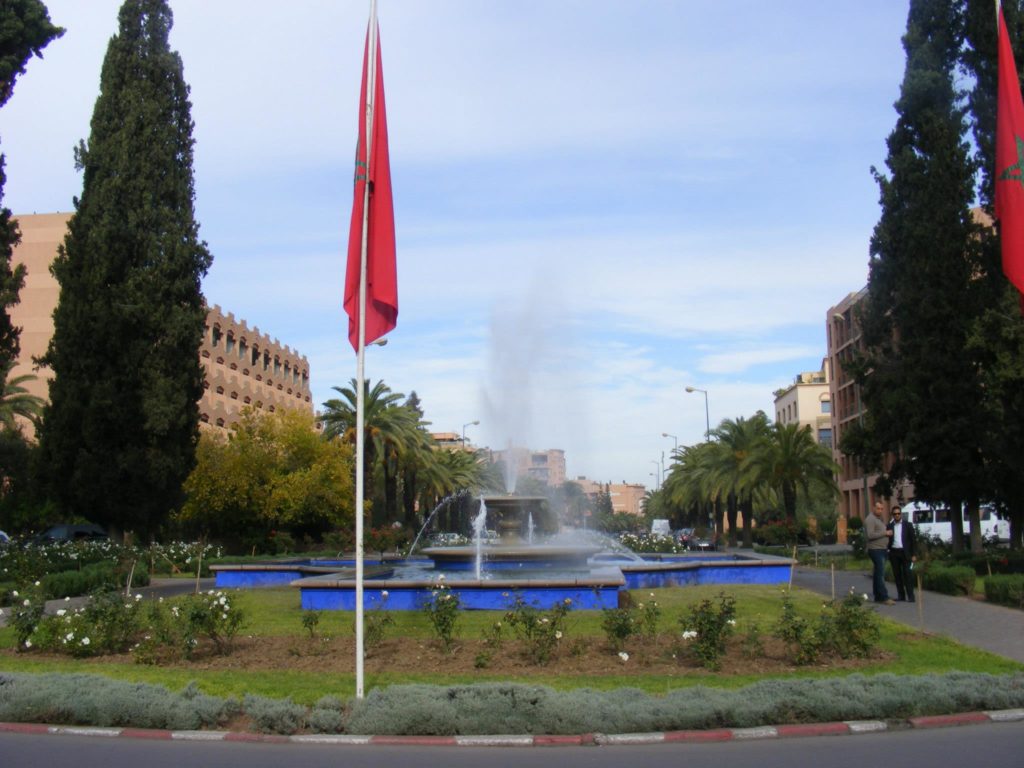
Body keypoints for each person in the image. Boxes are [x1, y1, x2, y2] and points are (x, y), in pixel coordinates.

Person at [865, 500, 894, 605]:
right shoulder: (870, 519)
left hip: (882, 549)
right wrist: (885, 533)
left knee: (878, 573)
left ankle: (878, 595)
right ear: (873, 508)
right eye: (878, 508)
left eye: (882, 509)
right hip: (875, 549)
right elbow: (870, 535)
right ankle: (884, 597)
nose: (880, 510)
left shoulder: (879, 519)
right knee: (881, 574)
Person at [887, 505, 917, 602]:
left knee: (908, 574)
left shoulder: (907, 525)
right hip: (894, 553)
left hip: (905, 553)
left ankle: (911, 596)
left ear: (901, 514)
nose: (897, 515)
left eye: (898, 513)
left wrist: (914, 554)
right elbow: (887, 540)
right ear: (892, 515)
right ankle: (901, 595)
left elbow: (913, 541)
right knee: (897, 575)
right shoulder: (890, 526)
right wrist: (888, 551)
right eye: (895, 514)